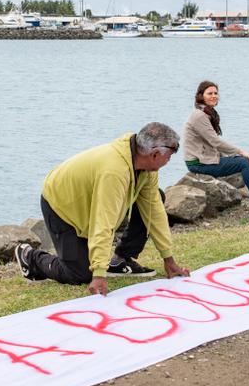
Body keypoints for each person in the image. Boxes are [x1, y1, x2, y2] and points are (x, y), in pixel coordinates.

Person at [14, 122, 191, 295]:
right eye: (169, 157)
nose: (168, 161)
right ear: (154, 154)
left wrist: (168, 258)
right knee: (80, 274)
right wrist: (99, 273)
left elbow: (153, 209)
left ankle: (120, 260)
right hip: (61, 205)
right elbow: (104, 220)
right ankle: (30, 257)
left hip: (88, 201)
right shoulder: (114, 172)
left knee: (156, 196)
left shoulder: (146, 168)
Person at [182, 80, 249, 213]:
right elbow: (215, 141)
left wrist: (236, 154)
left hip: (207, 159)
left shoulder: (206, 113)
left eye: (215, 93)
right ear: (201, 96)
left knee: (248, 160)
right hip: (199, 163)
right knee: (245, 162)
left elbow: (212, 143)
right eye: (209, 93)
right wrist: (240, 151)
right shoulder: (199, 116)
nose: (214, 96)